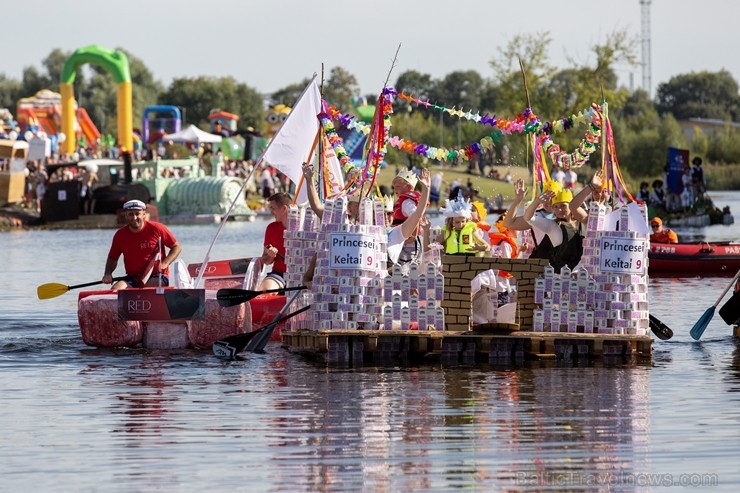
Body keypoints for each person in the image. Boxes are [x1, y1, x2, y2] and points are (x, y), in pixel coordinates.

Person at [102, 200, 182, 290]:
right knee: (116, 290)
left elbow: (176, 247)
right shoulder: (120, 235)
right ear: (126, 216)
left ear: (144, 214)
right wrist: (108, 273)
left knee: (148, 289)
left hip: (156, 275)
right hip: (133, 278)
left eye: (137, 213)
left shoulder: (157, 228)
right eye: (131, 214)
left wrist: (164, 264)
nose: (134, 217)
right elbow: (113, 258)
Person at [522, 188, 587, 273]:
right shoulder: (552, 226)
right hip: (562, 277)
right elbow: (528, 218)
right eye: (555, 207)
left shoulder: (582, 223)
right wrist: (537, 201)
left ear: (571, 206)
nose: (559, 210)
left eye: (563, 206)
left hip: (583, 275)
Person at [387, 168, 432, 266]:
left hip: (407, 243)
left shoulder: (406, 202)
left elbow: (415, 216)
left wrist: (412, 237)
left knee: (405, 267)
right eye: (394, 187)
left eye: (398, 186)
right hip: (403, 238)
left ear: (408, 187)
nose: (395, 190)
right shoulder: (405, 202)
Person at [259, 191, 291, 290]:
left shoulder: (303, 228)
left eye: (273, 208)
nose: (271, 212)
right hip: (279, 274)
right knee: (265, 289)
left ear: (284, 208)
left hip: (302, 275)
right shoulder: (271, 228)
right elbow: (265, 261)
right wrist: (270, 255)